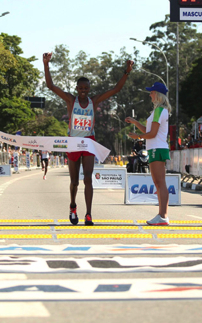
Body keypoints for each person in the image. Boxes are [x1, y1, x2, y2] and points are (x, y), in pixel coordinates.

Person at [43, 52, 134, 226]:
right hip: (73, 143)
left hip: (89, 142)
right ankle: (72, 206)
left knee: (88, 179)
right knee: (74, 182)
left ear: (89, 89)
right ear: (77, 89)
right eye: (81, 89)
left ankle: (89, 214)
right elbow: (50, 85)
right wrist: (46, 64)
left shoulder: (94, 101)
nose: (83, 92)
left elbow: (115, 89)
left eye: (86, 89)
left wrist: (126, 72)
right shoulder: (71, 100)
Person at [126, 82, 171, 225]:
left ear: (157, 94)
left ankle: (163, 216)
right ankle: (162, 215)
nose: (150, 94)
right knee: (158, 183)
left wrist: (137, 137)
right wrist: (135, 123)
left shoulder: (159, 111)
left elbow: (152, 133)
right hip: (155, 148)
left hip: (157, 149)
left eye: (151, 92)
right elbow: (148, 129)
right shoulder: (157, 111)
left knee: (160, 183)